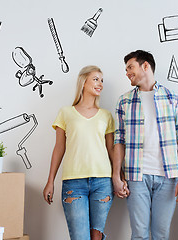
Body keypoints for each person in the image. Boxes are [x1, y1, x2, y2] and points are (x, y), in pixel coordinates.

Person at [112, 50, 178, 240]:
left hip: (168, 176)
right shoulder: (124, 101)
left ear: (145, 66)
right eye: (125, 69)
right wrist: (116, 175)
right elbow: (119, 141)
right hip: (136, 176)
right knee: (139, 235)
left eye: (130, 67)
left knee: (161, 235)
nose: (127, 73)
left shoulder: (173, 98)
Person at [43, 65, 115, 240]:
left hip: (103, 182)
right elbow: (59, 148)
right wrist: (50, 181)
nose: (100, 84)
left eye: (102, 80)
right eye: (96, 79)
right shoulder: (66, 112)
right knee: (79, 237)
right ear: (83, 82)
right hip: (73, 184)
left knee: (96, 237)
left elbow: (111, 149)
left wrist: (119, 176)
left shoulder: (106, 115)